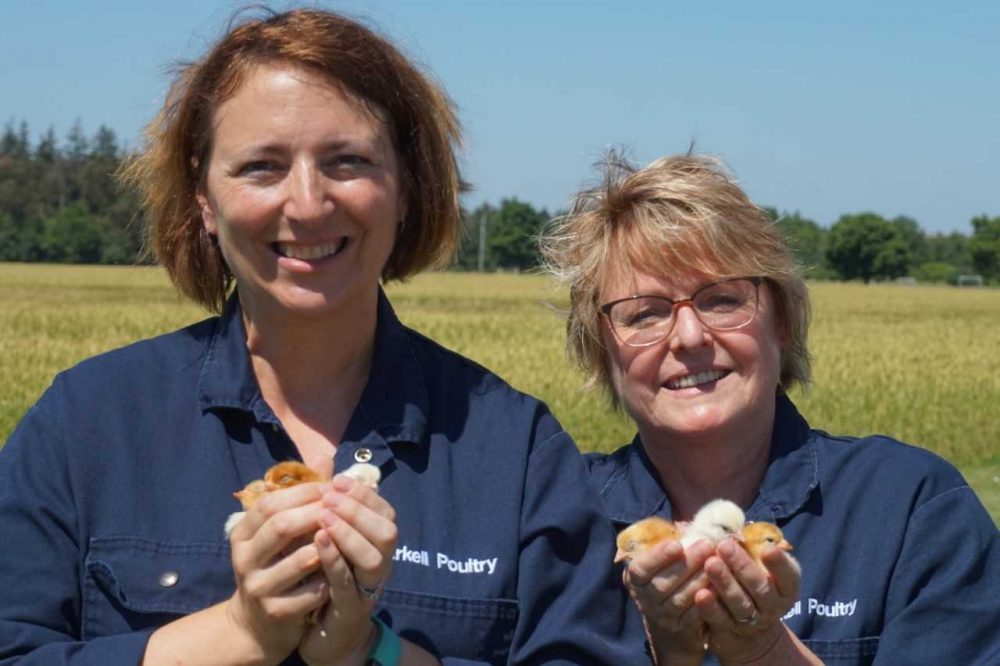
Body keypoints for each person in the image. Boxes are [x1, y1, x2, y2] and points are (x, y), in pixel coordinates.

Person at [0, 9, 633, 665]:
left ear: (407, 188)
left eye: (348, 161)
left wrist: (372, 651)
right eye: (262, 167)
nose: (306, 203)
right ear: (204, 201)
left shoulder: (516, 454)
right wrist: (237, 635)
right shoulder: (85, 425)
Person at [540, 151, 1000, 665]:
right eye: (644, 314)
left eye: (722, 301)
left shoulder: (911, 509)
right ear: (601, 351)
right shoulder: (554, 523)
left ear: (781, 320)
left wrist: (762, 649)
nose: (690, 336)